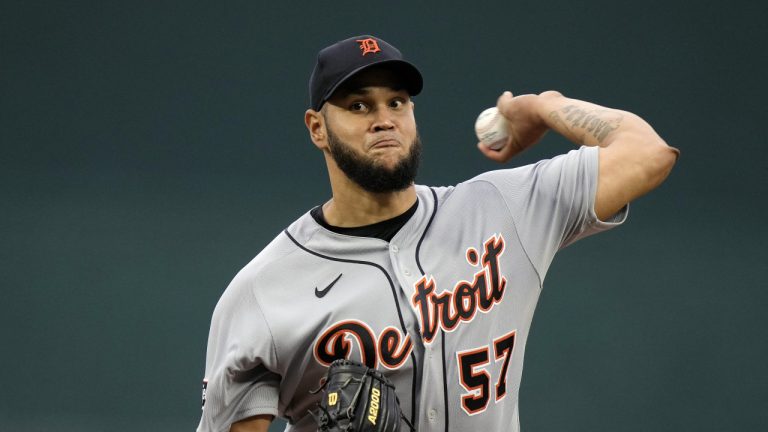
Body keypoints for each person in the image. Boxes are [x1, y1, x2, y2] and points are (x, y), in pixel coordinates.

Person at [196, 35, 678, 432]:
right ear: (317, 128)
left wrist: (544, 106)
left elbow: (648, 153)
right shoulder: (262, 292)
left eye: (397, 102)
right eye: (359, 105)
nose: (384, 119)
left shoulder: (502, 208)